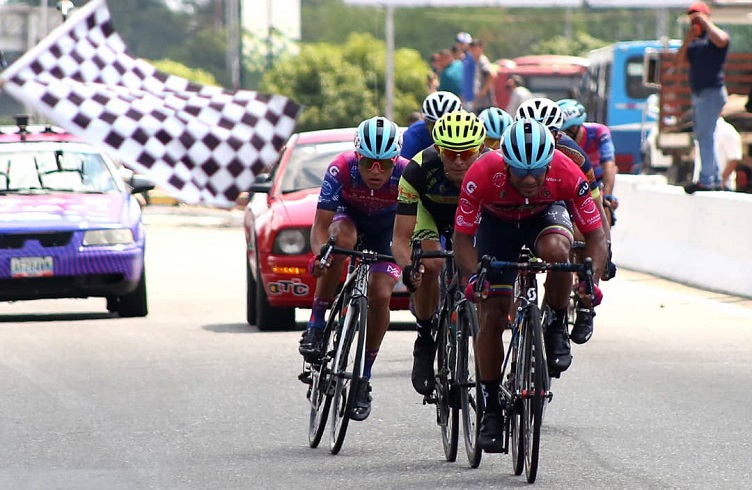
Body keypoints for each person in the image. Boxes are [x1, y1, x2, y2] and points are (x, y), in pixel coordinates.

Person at [453, 119, 607, 451]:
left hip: (545, 217)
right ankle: (491, 405)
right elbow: (462, 240)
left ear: (548, 164)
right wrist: (473, 278)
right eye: (519, 171)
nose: (528, 179)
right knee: (493, 315)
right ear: (505, 163)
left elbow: (596, 236)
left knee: (558, 252)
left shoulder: (566, 171)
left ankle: (553, 322)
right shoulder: (482, 173)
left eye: (537, 171)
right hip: (497, 227)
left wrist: (589, 282)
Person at [298, 116, 409, 421]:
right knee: (339, 241)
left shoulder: (407, 173)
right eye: (368, 163)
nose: (376, 171)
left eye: (384, 164)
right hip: (349, 219)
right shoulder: (342, 167)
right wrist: (320, 256)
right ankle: (317, 324)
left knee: (381, 293)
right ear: (357, 157)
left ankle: (364, 376)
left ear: (395, 161)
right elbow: (320, 228)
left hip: (389, 231)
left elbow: (412, 230)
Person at [392, 110, 487, 396]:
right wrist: (409, 268)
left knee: (481, 265)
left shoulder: (492, 168)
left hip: (470, 215)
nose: (458, 161)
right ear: (437, 148)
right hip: (429, 213)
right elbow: (399, 238)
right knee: (431, 263)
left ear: (480, 149)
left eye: (467, 152)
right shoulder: (417, 169)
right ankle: (424, 336)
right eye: (449, 153)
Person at [516, 97, 612, 344]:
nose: (538, 140)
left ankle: (583, 306)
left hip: (562, 202)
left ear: (558, 135)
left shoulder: (574, 156)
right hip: (519, 207)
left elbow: (596, 207)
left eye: (548, 133)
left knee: (580, 239)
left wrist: (606, 249)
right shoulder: (509, 150)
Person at [675, 1, 730, 194]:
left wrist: (705, 23)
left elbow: (723, 40)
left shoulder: (713, 40)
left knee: (705, 136)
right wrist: (688, 38)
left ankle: (707, 180)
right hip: (699, 94)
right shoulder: (694, 44)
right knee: (703, 136)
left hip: (711, 92)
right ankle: (712, 177)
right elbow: (679, 62)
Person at [557, 98, 619, 228]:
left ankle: (604, 245)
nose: (562, 136)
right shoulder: (557, 139)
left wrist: (608, 195)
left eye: (566, 131)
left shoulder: (598, 132)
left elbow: (609, 164)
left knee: (603, 205)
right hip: (571, 181)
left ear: (576, 126)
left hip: (596, 180)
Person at [400, 91, 463, 160]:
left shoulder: (467, 132)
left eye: (447, 126)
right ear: (426, 123)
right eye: (435, 126)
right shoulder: (412, 136)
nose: (441, 132)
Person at [692, 116, 742, 191]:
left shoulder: (727, 130)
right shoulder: (703, 130)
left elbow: (734, 158)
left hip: (721, 188)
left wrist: (721, 182)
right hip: (701, 187)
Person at [468, 40, 496, 114]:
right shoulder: (475, 61)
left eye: (475, 49)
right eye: (472, 49)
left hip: (485, 102)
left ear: (481, 49)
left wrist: (484, 90)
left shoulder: (482, 60)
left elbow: (490, 75)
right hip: (479, 101)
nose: (473, 52)